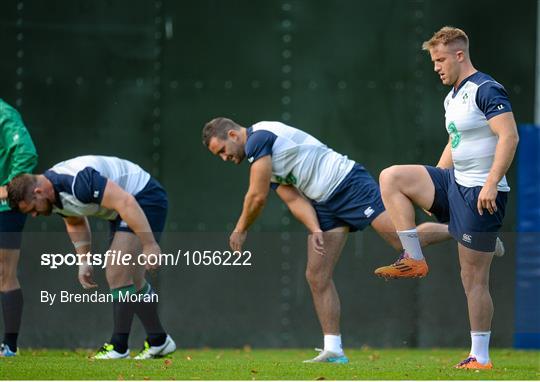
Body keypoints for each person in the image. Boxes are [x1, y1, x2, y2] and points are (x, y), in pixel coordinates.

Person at [202, 118, 451, 363]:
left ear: (233, 135)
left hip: (348, 185)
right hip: (324, 205)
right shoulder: (262, 160)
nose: (225, 158)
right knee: (316, 275)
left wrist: (240, 228)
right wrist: (315, 228)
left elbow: (257, 197)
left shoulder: (259, 138)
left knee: (399, 242)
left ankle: (458, 229)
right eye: (219, 156)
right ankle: (333, 349)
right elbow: (294, 200)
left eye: (223, 150)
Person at [374, 26, 519, 369]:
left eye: (440, 60)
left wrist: (490, 182)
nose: (436, 67)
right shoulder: (451, 97)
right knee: (391, 176)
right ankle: (414, 257)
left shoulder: (486, 89)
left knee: (472, 279)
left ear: (459, 55)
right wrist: (437, 178)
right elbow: (456, 139)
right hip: (454, 182)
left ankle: (479, 357)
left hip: (483, 193)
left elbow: (509, 137)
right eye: (433, 61)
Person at [7, 155, 176, 359]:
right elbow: (75, 221)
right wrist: (84, 261)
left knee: (116, 271)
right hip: (121, 208)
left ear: (38, 192)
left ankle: (119, 346)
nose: (34, 215)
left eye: (33, 209)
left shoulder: (78, 182)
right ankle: (159, 340)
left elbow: (126, 201)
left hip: (143, 197)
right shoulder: (52, 196)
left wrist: (150, 244)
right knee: (134, 281)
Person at [0, 99, 38, 357]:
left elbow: (26, 151)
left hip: (5, 208)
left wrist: (8, 189)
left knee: (4, 273)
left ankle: (9, 347)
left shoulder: (3, 113)